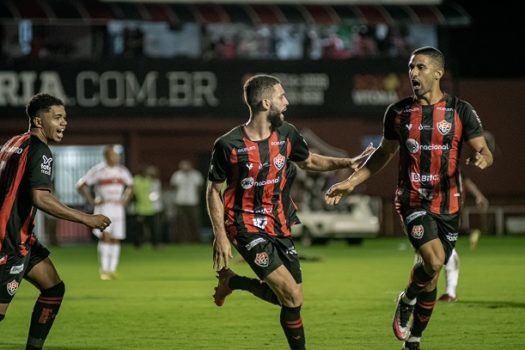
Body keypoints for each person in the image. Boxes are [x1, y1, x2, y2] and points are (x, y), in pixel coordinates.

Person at [324, 47, 493, 350]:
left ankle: (413, 339)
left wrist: (482, 157)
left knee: (431, 274)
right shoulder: (398, 113)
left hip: (450, 204)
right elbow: (383, 154)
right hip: (413, 200)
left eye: (421, 67)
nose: (413, 73)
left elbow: (484, 150)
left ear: (439, 73)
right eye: (411, 68)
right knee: (435, 259)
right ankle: (407, 299)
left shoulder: (460, 110)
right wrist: (349, 182)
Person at [207, 74, 374, 350]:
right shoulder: (228, 144)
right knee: (292, 296)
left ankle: (234, 281)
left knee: (290, 298)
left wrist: (347, 162)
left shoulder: (287, 133)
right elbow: (213, 190)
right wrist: (221, 235)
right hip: (245, 224)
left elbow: (308, 161)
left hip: (280, 222)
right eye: (281, 96)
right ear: (264, 103)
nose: (287, 101)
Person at [0, 93, 110, 349]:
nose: (64, 123)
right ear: (39, 121)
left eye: (65, 118)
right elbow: (41, 198)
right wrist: (86, 218)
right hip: (9, 241)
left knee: (53, 288)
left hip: (23, 238)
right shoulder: (41, 151)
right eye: (57, 117)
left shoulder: (13, 142)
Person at [439, 131, 495, 302]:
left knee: (443, 249)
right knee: (431, 250)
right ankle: (424, 293)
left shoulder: (450, 158)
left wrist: (478, 196)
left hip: (446, 208)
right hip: (436, 207)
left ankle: (448, 291)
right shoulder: (447, 156)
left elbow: (465, 179)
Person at [77, 145, 133, 280]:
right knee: (105, 237)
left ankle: (112, 269)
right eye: (113, 155)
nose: (116, 157)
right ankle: (104, 270)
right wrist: (91, 200)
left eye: (117, 155)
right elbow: (81, 185)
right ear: (107, 156)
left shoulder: (122, 171)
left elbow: (131, 186)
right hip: (105, 207)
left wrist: (125, 199)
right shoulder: (98, 171)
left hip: (117, 208)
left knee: (115, 238)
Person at [170, 160, 204, 243]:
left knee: (194, 222)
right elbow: (173, 186)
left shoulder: (196, 174)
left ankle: (196, 239)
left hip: (193, 202)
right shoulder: (177, 175)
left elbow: (200, 187)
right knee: (181, 222)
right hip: (180, 201)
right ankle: (182, 239)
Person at [132, 165, 163, 248]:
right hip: (139, 208)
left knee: (153, 228)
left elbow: (155, 191)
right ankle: (137, 244)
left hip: (150, 208)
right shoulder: (136, 180)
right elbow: (133, 193)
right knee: (139, 229)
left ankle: (155, 244)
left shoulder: (149, 180)